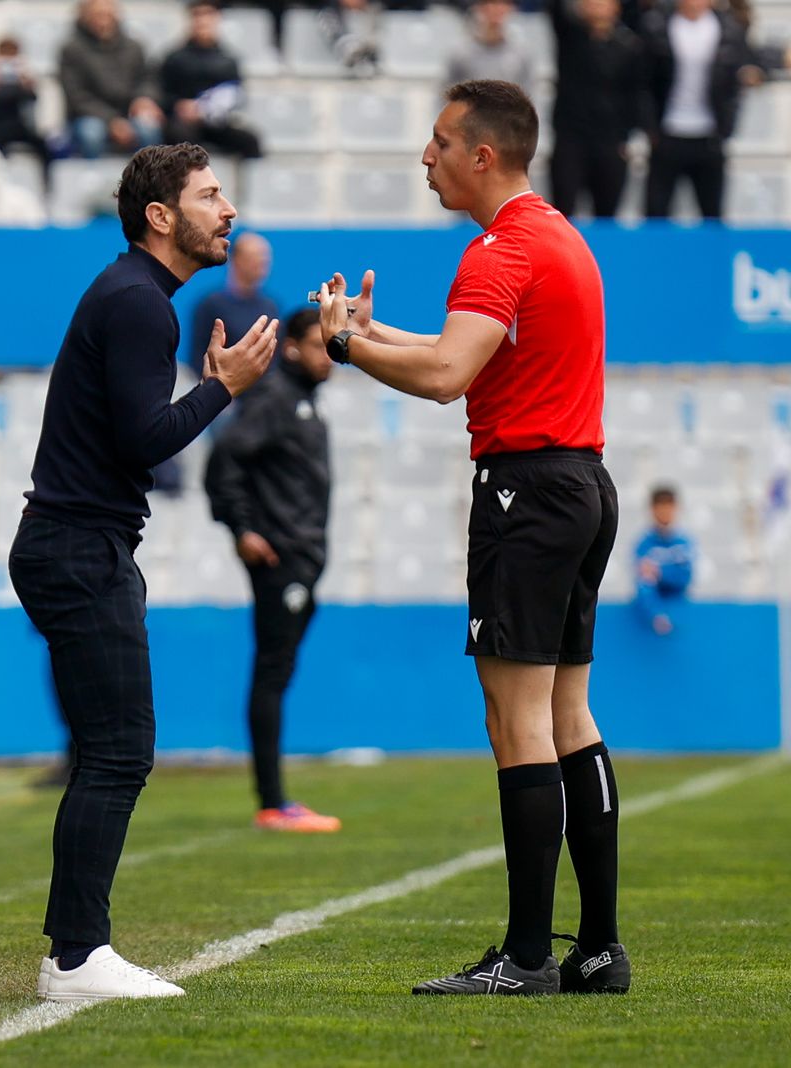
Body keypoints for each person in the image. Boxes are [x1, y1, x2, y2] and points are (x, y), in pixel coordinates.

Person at [315, 80, 626, 996]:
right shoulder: (557, 236)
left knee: (516, 720)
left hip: (525, 494)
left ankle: (527, 957)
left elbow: (450, 374)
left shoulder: (496, 251)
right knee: (570, 714)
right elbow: (472, 348)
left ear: (481, 155)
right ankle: (597, 949)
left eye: (440, 142)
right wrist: (376, 331)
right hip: (581, 485)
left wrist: (344, 349)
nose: (427, 157)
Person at [9, 143, 275, 1002]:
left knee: (110, 750)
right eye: (209, 194)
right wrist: (220, 387)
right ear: (161, 217)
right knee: (119, 751)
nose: (227, 210)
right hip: (76, 545)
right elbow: (144, 442)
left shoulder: (136, 295)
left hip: (81, 543)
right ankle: (77, 957)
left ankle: (75, 951)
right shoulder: (138, 302)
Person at [204, 307, 341, 834]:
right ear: (290, 349)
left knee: (276, 671)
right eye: (317, 344)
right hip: (280, 559)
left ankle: (275, 800)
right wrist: (242, 530)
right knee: (272, 672)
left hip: (302, 557)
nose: (328, 355)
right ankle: (273, 802)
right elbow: (223, 461)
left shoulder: (305, 402)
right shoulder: (276, 400)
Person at [641, 0, 754, 220]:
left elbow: (734, 82)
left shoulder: (729, 29)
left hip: (709, 133)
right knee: (657, 211)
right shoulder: (657, 25)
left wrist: (726, 127)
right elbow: (644, 80)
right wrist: (650, 127)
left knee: (712, 212)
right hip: (668, 132)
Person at [547, 0, 645, 219]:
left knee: (607, 213)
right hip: (571, 137)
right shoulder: (570, 37)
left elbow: (635, 93)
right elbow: (556, 9)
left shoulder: (629, 45)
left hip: (610, 140)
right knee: (563, 210)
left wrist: (627, 134)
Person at [59, 0, 163, 159]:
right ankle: (92, 181)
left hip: (129, 113)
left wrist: (144, 99)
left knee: (149, 129)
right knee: (91, 134)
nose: (104, 21)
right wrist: (112, 121)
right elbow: (77, 97)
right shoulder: (72, 50)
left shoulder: (134, 47)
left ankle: (149, 181)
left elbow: (147, 79)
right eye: (98, 16)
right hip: (89, 116)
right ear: (86, 17)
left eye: (108, 15)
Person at [160, 1, 264, 159]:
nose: (203, 21)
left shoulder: (228, 60)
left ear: (217, 19)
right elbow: (162, 93)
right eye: (197, 15)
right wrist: (178, 105)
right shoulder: (174, 58)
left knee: (250, 140)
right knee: (181, 139)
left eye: (208, 14)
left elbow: (237, 95)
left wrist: (214, 107)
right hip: (183, 123)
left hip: (216, 122)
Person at [188, 232, 280, 374]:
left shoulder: (270, 306)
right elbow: (199, 358)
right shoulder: (211, 305)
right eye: (255, 256)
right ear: (236, 259)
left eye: (265, 257)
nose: (262, 262)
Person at [0, 36, 47, 162]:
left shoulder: (24, 73)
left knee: (44, 147)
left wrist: (26, 82)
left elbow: (33, 99)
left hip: (19, 125)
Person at [447, 0, 536, 102]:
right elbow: (445, 96)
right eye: (489, 4)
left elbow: (530, 97)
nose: (494, 10)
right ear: (478, 8)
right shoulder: (460, 52)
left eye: (501, 4)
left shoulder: (521, 52)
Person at [634, 484, 693, 635]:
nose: (665, 512)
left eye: (669, 506)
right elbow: (643, 582)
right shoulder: (644, 544)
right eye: (661, 506)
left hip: (680, 608)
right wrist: (655, 614)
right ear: (653, 509)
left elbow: (684, 578)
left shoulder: (683, 542)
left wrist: (659, 571)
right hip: (650, 617)